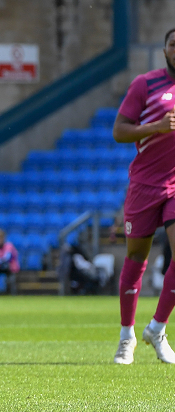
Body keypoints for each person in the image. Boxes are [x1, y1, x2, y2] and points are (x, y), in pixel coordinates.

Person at [111, 27, 175, 365]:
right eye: (173, 43)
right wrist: (156, 127)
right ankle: (127, 335)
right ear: (164, 49)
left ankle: (158, 328)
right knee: (136, 258)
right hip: (145, 183)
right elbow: (119, 131)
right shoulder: (145, 84)